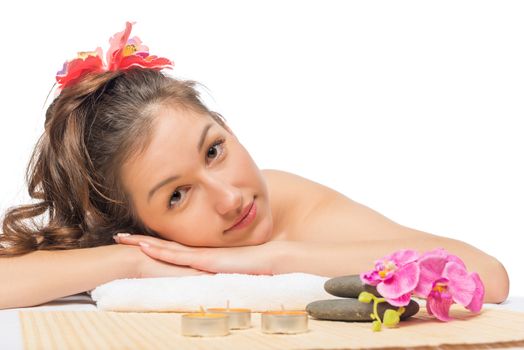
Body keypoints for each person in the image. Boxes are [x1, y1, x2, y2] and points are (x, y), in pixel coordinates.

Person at [0, 22, 509, 310]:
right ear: (139, 226)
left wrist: (275, 257)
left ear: (227, 126)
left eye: (214, 150)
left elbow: (487, 275)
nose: (230, 198)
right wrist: (133, 263)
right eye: (176, 196)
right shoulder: (140, 247)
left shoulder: (291, 204)